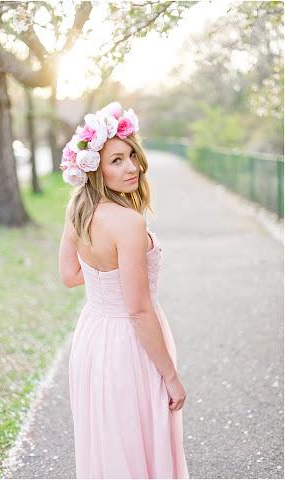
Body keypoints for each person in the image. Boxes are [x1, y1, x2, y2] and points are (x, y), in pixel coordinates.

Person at [58, 102, 188, 479]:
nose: (131, 167)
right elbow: (139, 310)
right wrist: (171, 376)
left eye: (132, 155)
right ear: (94, 167)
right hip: (129, 347)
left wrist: (107, 278)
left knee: (110, 445)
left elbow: (69, 274)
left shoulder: (77, 211)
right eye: (116, 160)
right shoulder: (129, 223)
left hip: (92, 336)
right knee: (140, 442)